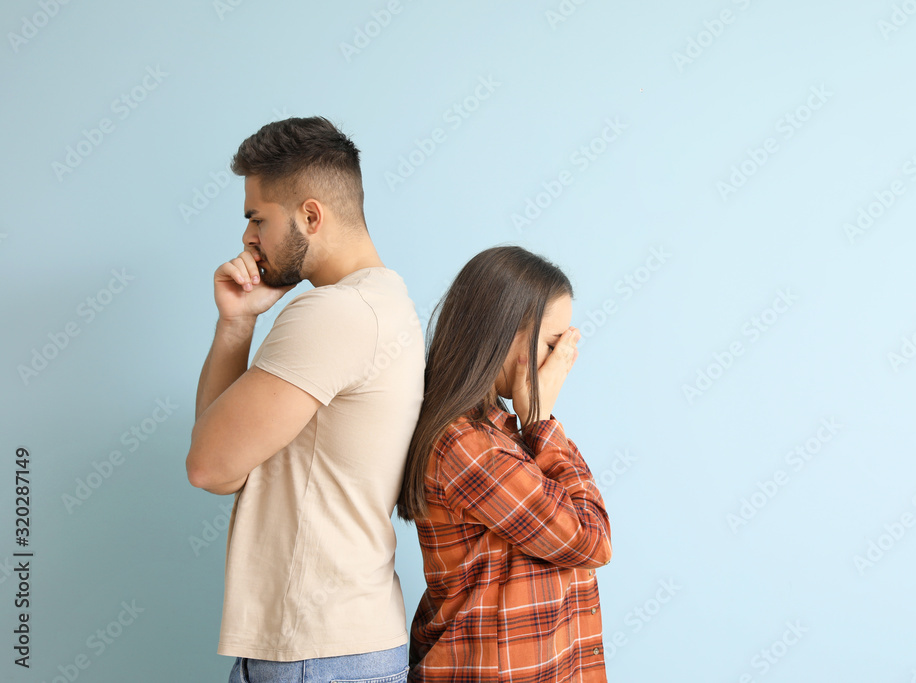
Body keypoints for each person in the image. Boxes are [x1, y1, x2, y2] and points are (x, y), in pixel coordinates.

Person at [185, 116, 424, 683]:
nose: (248, 238)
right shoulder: (385, 303)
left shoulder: (335, 314)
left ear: (310, 216)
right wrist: (237, 322)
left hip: (316, 652)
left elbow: (210, 468)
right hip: (333, 643)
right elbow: (225, 460)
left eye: (257, 218)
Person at [397, 246, 612, 682]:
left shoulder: (502, 434)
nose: (561, 361)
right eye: (554, 344)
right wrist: (541, 421)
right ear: (507, 334)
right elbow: (592, 541)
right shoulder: (465, 445)